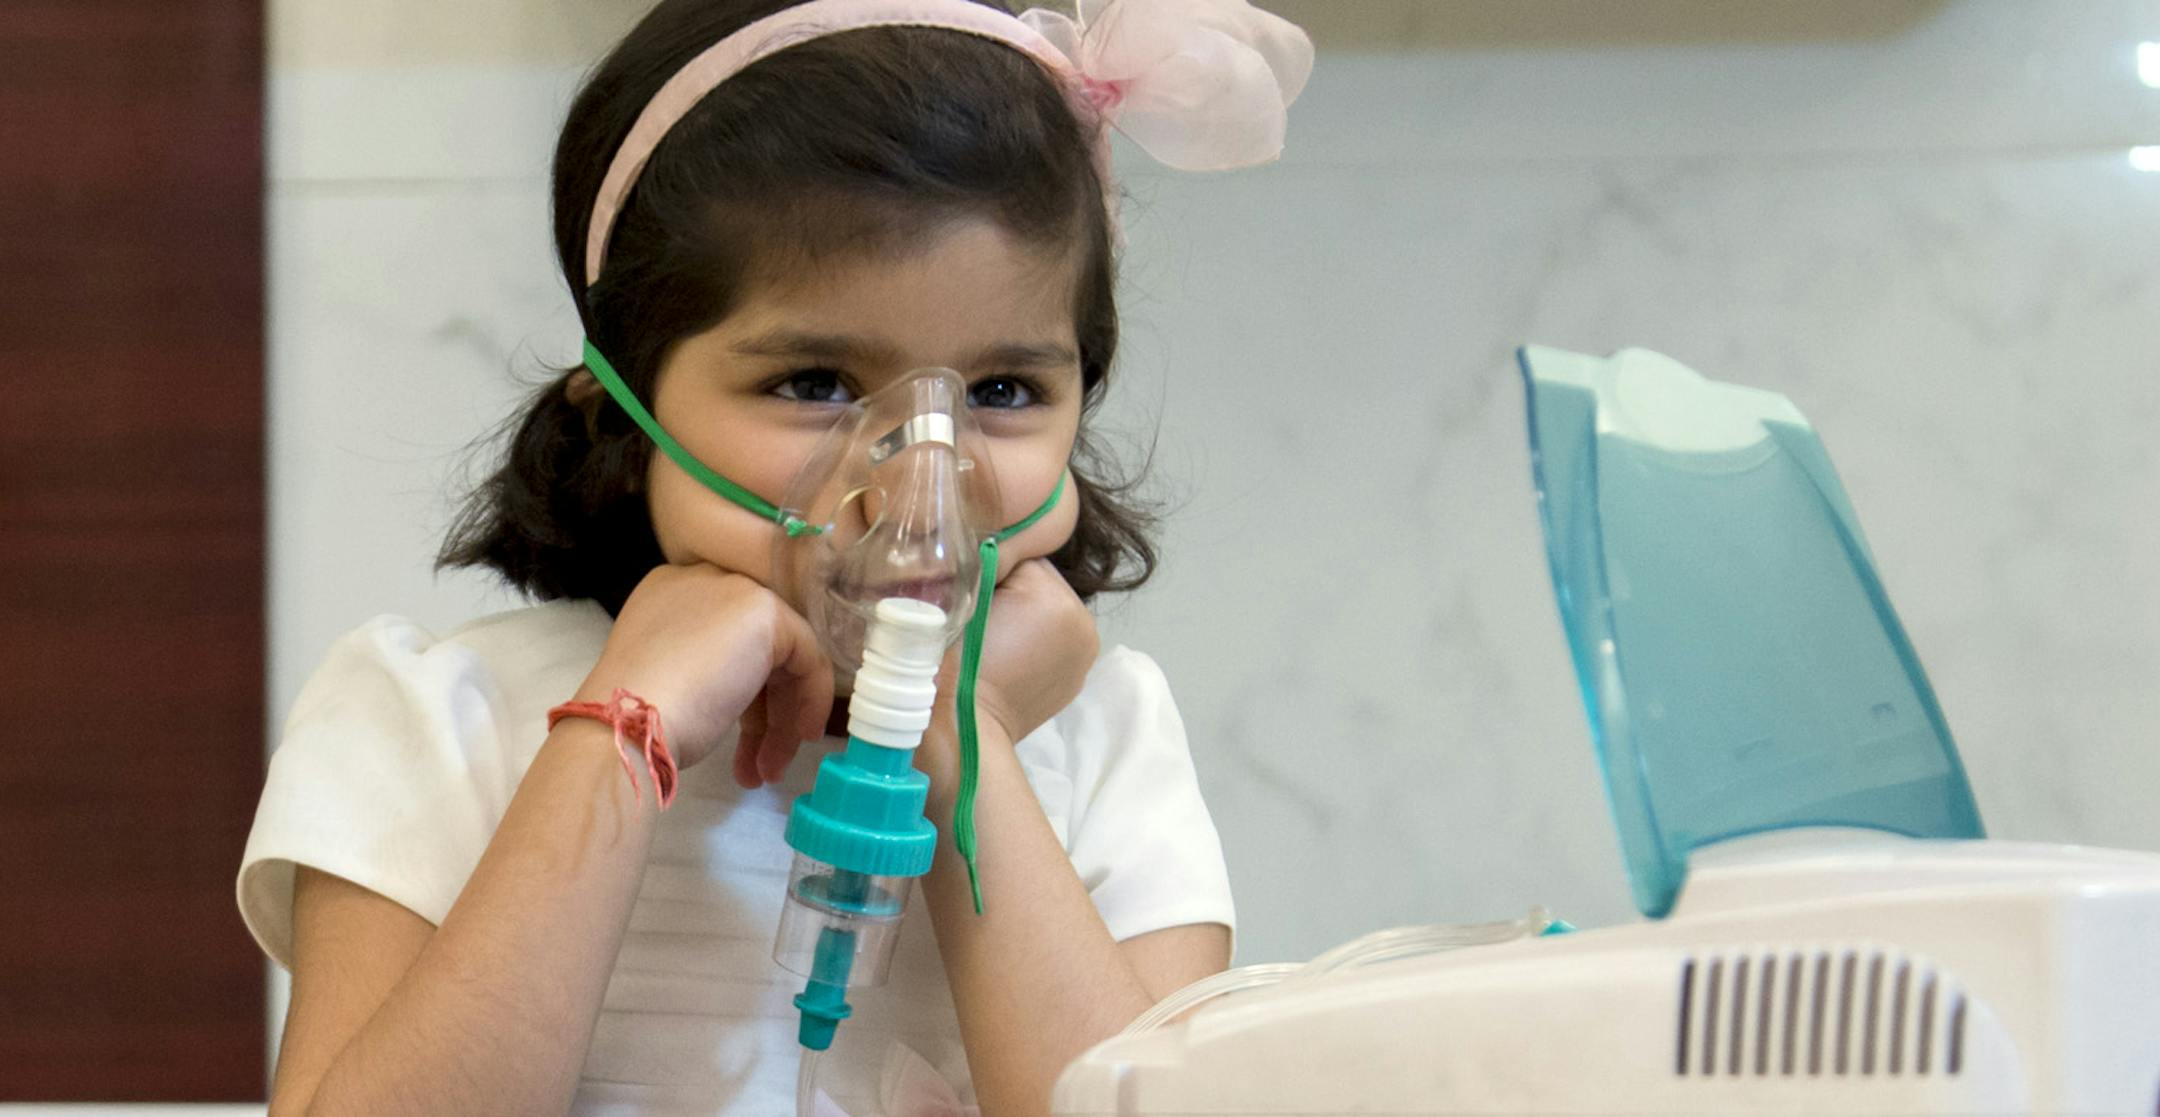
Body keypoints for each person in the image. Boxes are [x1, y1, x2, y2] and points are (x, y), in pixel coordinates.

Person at [237, 1, 1310, 1113]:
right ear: (621, 400)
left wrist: (962, 738)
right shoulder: (433, 717)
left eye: (1000, 393)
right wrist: (618, 732)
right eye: (815, 384)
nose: (913, 481)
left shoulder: (1099, 738)